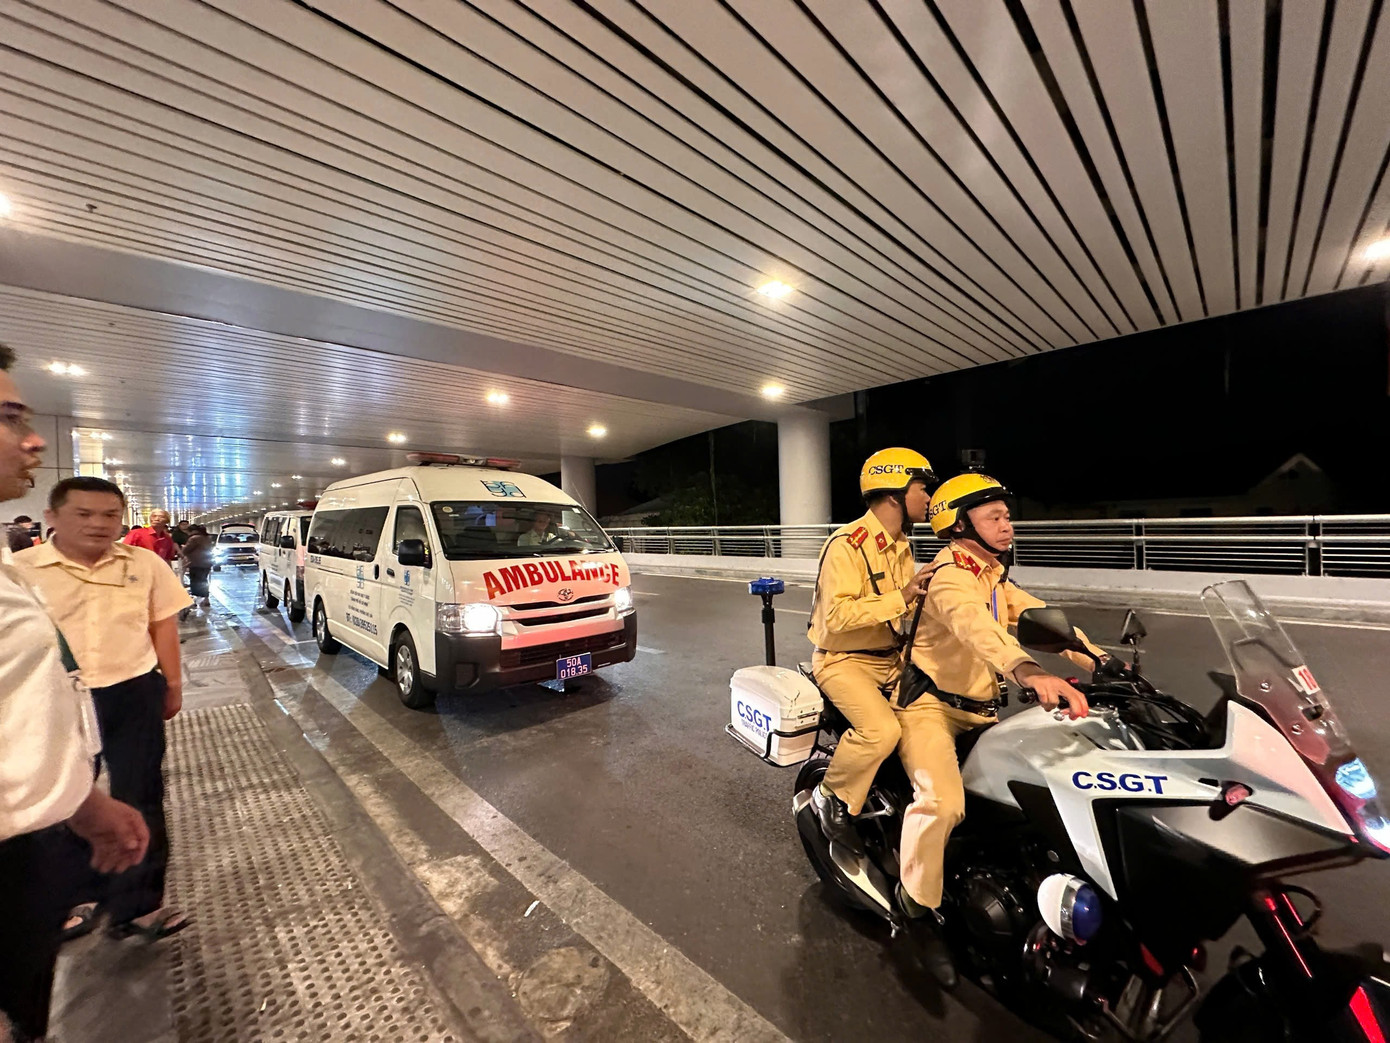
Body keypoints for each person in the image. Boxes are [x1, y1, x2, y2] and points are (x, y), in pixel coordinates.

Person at [893, 473, 1107, 986]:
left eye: (1007, 515)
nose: (1007, 524)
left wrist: (1103, 662)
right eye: (994, 517)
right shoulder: (949, 576)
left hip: (980, 709)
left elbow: (1041, 619)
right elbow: (978, 628)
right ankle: (914, 909)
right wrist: (1028, 671)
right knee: (942, 803)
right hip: (930, 708)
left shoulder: (991, 575)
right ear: (959, 525)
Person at [0, 344, 149, 1043]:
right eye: (10, 417)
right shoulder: (27, 564)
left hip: (33, 837)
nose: (34, 439)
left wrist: (83, 804)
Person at [15, 477, 193, 946]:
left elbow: (162, 625)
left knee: (142, 793)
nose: (98, 524)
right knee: (61, 800)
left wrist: (172, 685)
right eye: (84, 514)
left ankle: (139, 906)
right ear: (52, 517)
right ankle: (74, 900)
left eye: (110, 515)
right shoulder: (20, 571)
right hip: (55, 698)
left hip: (132, 690)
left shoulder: (143, 565)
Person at [807, 448, 936, 858]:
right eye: (921, 488)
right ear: (895, 494)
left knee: (942, 711)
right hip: (844, 661)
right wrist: (902, 596)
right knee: (881, 731)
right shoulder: (847, 544)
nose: (928, 498)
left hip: (891, 659)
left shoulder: (901, 545)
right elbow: (836, 616)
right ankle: (830, 795)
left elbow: (903, 609)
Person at [182, 524, 214, 612]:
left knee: (195, 581)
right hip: (207, 562)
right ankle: (206, 599)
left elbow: (186, 550)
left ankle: (194, 600)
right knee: (203, 580)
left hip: (196, 563)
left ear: (192, 531)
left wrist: (183, 547)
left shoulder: (193, 538)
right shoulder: (208, 538)